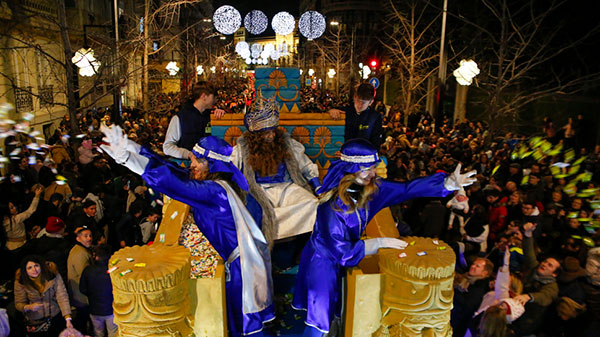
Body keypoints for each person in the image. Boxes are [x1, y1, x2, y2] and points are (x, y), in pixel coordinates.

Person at [100, 124, 274, 337]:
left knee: (243, 325)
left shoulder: (214, 192)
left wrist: (127, 159)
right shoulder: (216, 182)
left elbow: (174, 184)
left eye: (193, 161)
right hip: (239, 261)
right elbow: (175, 171)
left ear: (208, 164)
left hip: (241, 267)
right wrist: (132, 147)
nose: (189, 165)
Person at [292, 139, 476, 336]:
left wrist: (447, 184)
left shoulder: (371, 189)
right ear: (350, 169)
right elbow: (343, 253)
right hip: (322, 264)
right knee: (319, 320)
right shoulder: (331, 208)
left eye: (373, 167)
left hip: (344, 260)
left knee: (336, 314)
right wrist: (378, 243)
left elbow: (406, 189)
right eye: (367, 169)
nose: (373, 173)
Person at [231, 97, 320, 244]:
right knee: (259, 213)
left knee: (311, 203)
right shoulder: (242, 149)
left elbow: (306, 165)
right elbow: (230, 172)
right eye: (266, 133)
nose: (271, 136)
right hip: (258, 191)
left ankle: (291, 243)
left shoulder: (286, 143)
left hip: (286, 187)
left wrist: (317, 186)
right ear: (256, 136)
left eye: (273, 131)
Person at [510, 222, 561, 336]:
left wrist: (529, 297)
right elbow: (529, 253)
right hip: (515, 311)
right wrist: (528, 235)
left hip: (528, 322)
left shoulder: (552, 287)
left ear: (554, 274)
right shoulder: (534, 268)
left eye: (550, 266)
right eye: (545, 262)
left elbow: (544, 297)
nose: (544, 265)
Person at [162, 81, 226, 159]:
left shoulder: (211, 116)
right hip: (186, 167)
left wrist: (221, 115)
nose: (215, 101)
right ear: (204, 96)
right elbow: (167, 147)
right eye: (213, 97)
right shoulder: (180, 118)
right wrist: (188, 154)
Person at [14, 255, 73, 336]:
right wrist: (28, 307)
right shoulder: (21, 281)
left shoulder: (52, 275)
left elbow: (62, 296)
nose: (34, 270)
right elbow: (18, 303)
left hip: (55, 316)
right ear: (25, 271)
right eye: (29, 268)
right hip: (36, 321)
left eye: (36, 266)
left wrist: (67, 318)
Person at [328, 83, 383, 149]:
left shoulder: (375, 117)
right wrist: (332, 111)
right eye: (358, 100)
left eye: (364, 103)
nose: (359, 105)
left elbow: (375, 144)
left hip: (363, 155)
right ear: (354, 97)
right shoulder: (345, 111)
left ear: (370, 103)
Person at [80, 244, 117, 337]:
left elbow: (82, 289)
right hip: (111, 309)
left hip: (94, 309)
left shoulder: (88, 270)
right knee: (113, 332)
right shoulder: (113, 272)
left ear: (95, 256)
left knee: (98, 332)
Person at [67, 227, 93, 333]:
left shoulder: (80, 249)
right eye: (85, 236)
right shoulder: (80, 253)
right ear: (78, 238)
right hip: (81, 294)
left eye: (90, 235)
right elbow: (84, 275)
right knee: (83, 317)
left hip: (79, 293)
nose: (89, 238)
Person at [2, 185, 42, 250]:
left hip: (8, 246)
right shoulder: (16, 219)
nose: (15, 208)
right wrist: (37, 196)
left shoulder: (3, 220)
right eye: (12, 208)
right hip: (20, 245)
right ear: (6, 211)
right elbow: (31, 210)